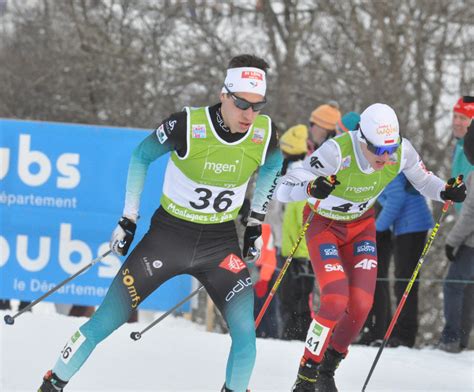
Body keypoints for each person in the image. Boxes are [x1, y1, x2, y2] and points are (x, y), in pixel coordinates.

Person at [38, 54, 283, 392]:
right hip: (168, 239)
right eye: (242, 103)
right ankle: (51, 384)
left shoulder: (265, 132)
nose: (249, 115)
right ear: (224, 94)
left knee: (246, 337)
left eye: (257, 106)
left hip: (219, 246)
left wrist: (255, 221)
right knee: (104, 321)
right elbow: (141, 156)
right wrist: (128, 218)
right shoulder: (188, 124)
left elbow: (273, 167)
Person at [274, 103, 467, 392]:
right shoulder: (336, 151)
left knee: (362, 305)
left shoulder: (402, 151)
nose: (386, 157)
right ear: (362, 139)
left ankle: (328, 369)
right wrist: (311, 188)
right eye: (378, 150)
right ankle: (306, 373)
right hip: (324, 226)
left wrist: (445, 190)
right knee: (335, 299)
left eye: (391, 148)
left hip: (361, 226)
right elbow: (284, 186)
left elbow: (424, 180)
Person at [367, 173, 434, 348]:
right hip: (406, 226)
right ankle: (400, 331)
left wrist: (377, 229)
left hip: (412, 225)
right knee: (403, 280)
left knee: (405, 281)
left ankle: (405, 335)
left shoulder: (390, 168)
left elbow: (396, 198)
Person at [439, 97, 474, 353]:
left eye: (464, 118)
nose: (457, 122)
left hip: (468, 232)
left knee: (455, 284)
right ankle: (459, 339)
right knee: (466, 285)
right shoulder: (459, 147)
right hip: (465, 223)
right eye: (456, 116)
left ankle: (452, 339)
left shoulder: (468, 147)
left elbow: (471, 208)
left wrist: (454, 239)